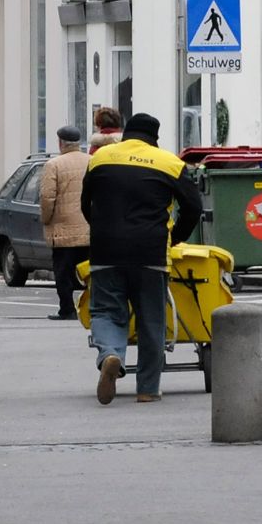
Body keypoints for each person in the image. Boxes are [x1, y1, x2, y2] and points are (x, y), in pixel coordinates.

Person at [80, 112, 202, 404]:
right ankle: (147, 387)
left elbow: (86, 202)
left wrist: (100, 228)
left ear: (127, 134)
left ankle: (110, 354)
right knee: (151, 319)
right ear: (155, 137)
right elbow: (193, 207)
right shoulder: (170, 163)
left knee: (107, 311)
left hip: (106, 249)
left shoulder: (101, 158)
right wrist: (177, 237)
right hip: (151, 251)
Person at [39, 124, 91, 320]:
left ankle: (67, 309)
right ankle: (93, 309)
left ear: (61, 143)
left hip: (63, 229)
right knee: (90, 272)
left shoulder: (54, 165)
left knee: (63, 272)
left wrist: (46, 219)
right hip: (89, 227)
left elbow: (47, 197)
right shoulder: (92, 161)